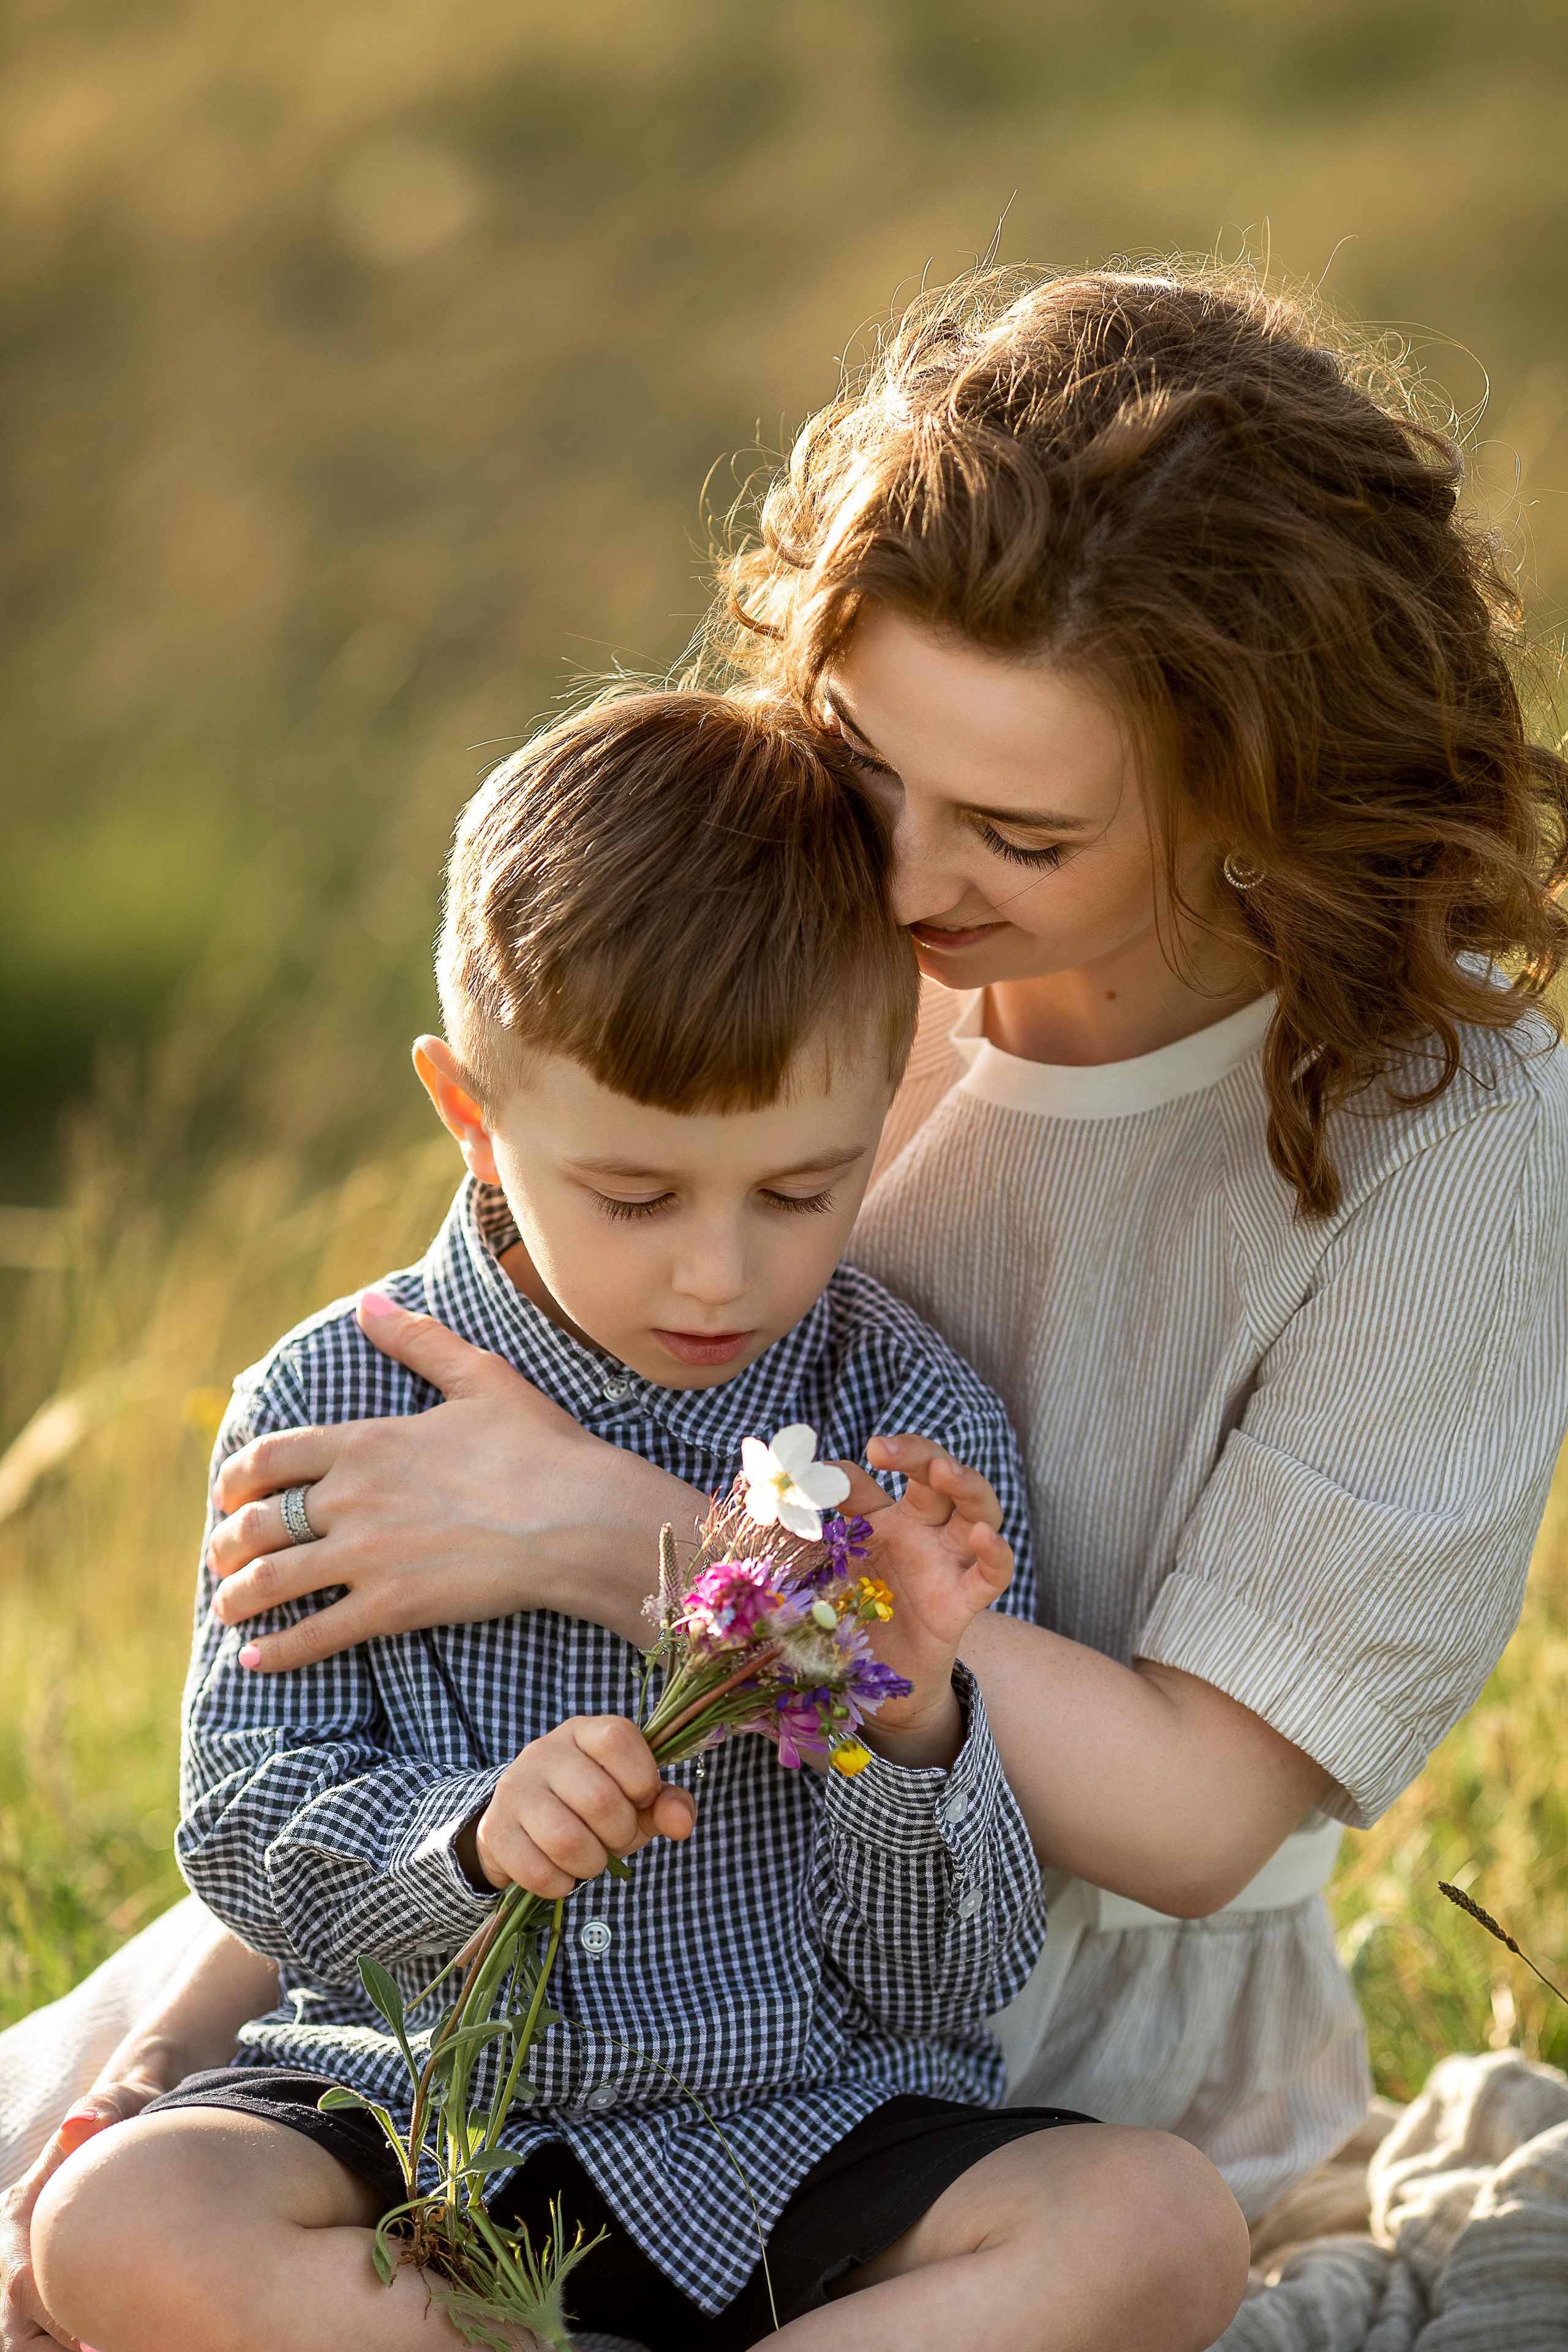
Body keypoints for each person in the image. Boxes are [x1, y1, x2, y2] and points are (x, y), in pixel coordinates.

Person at [7, 257, 1568, 2331]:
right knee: (86, 2218)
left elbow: (1195, 1814)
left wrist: (622, 1538)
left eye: (1019, 829)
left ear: (1256, 794)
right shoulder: (817, 926)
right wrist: (190, 2025)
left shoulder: (1445, 1125)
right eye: (865, 765)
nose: (905, 882)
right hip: (502, 1934)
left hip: (985, 2003)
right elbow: (412, 1601)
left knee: (1120, 2250)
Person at [28, 693, 1249, 2352]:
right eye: (634, 1195)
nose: (718, 1274)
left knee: (1162, 2225)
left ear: (885, 1097)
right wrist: (463, 1844)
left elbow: (948, 1979)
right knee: (131, 2219)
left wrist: (913, 1718)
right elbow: (250, 1827)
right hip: (435, 2126)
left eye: (801, 1190)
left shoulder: (911, 1433)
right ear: (472, 1113)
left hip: (809, 2130)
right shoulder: (330, 1407)